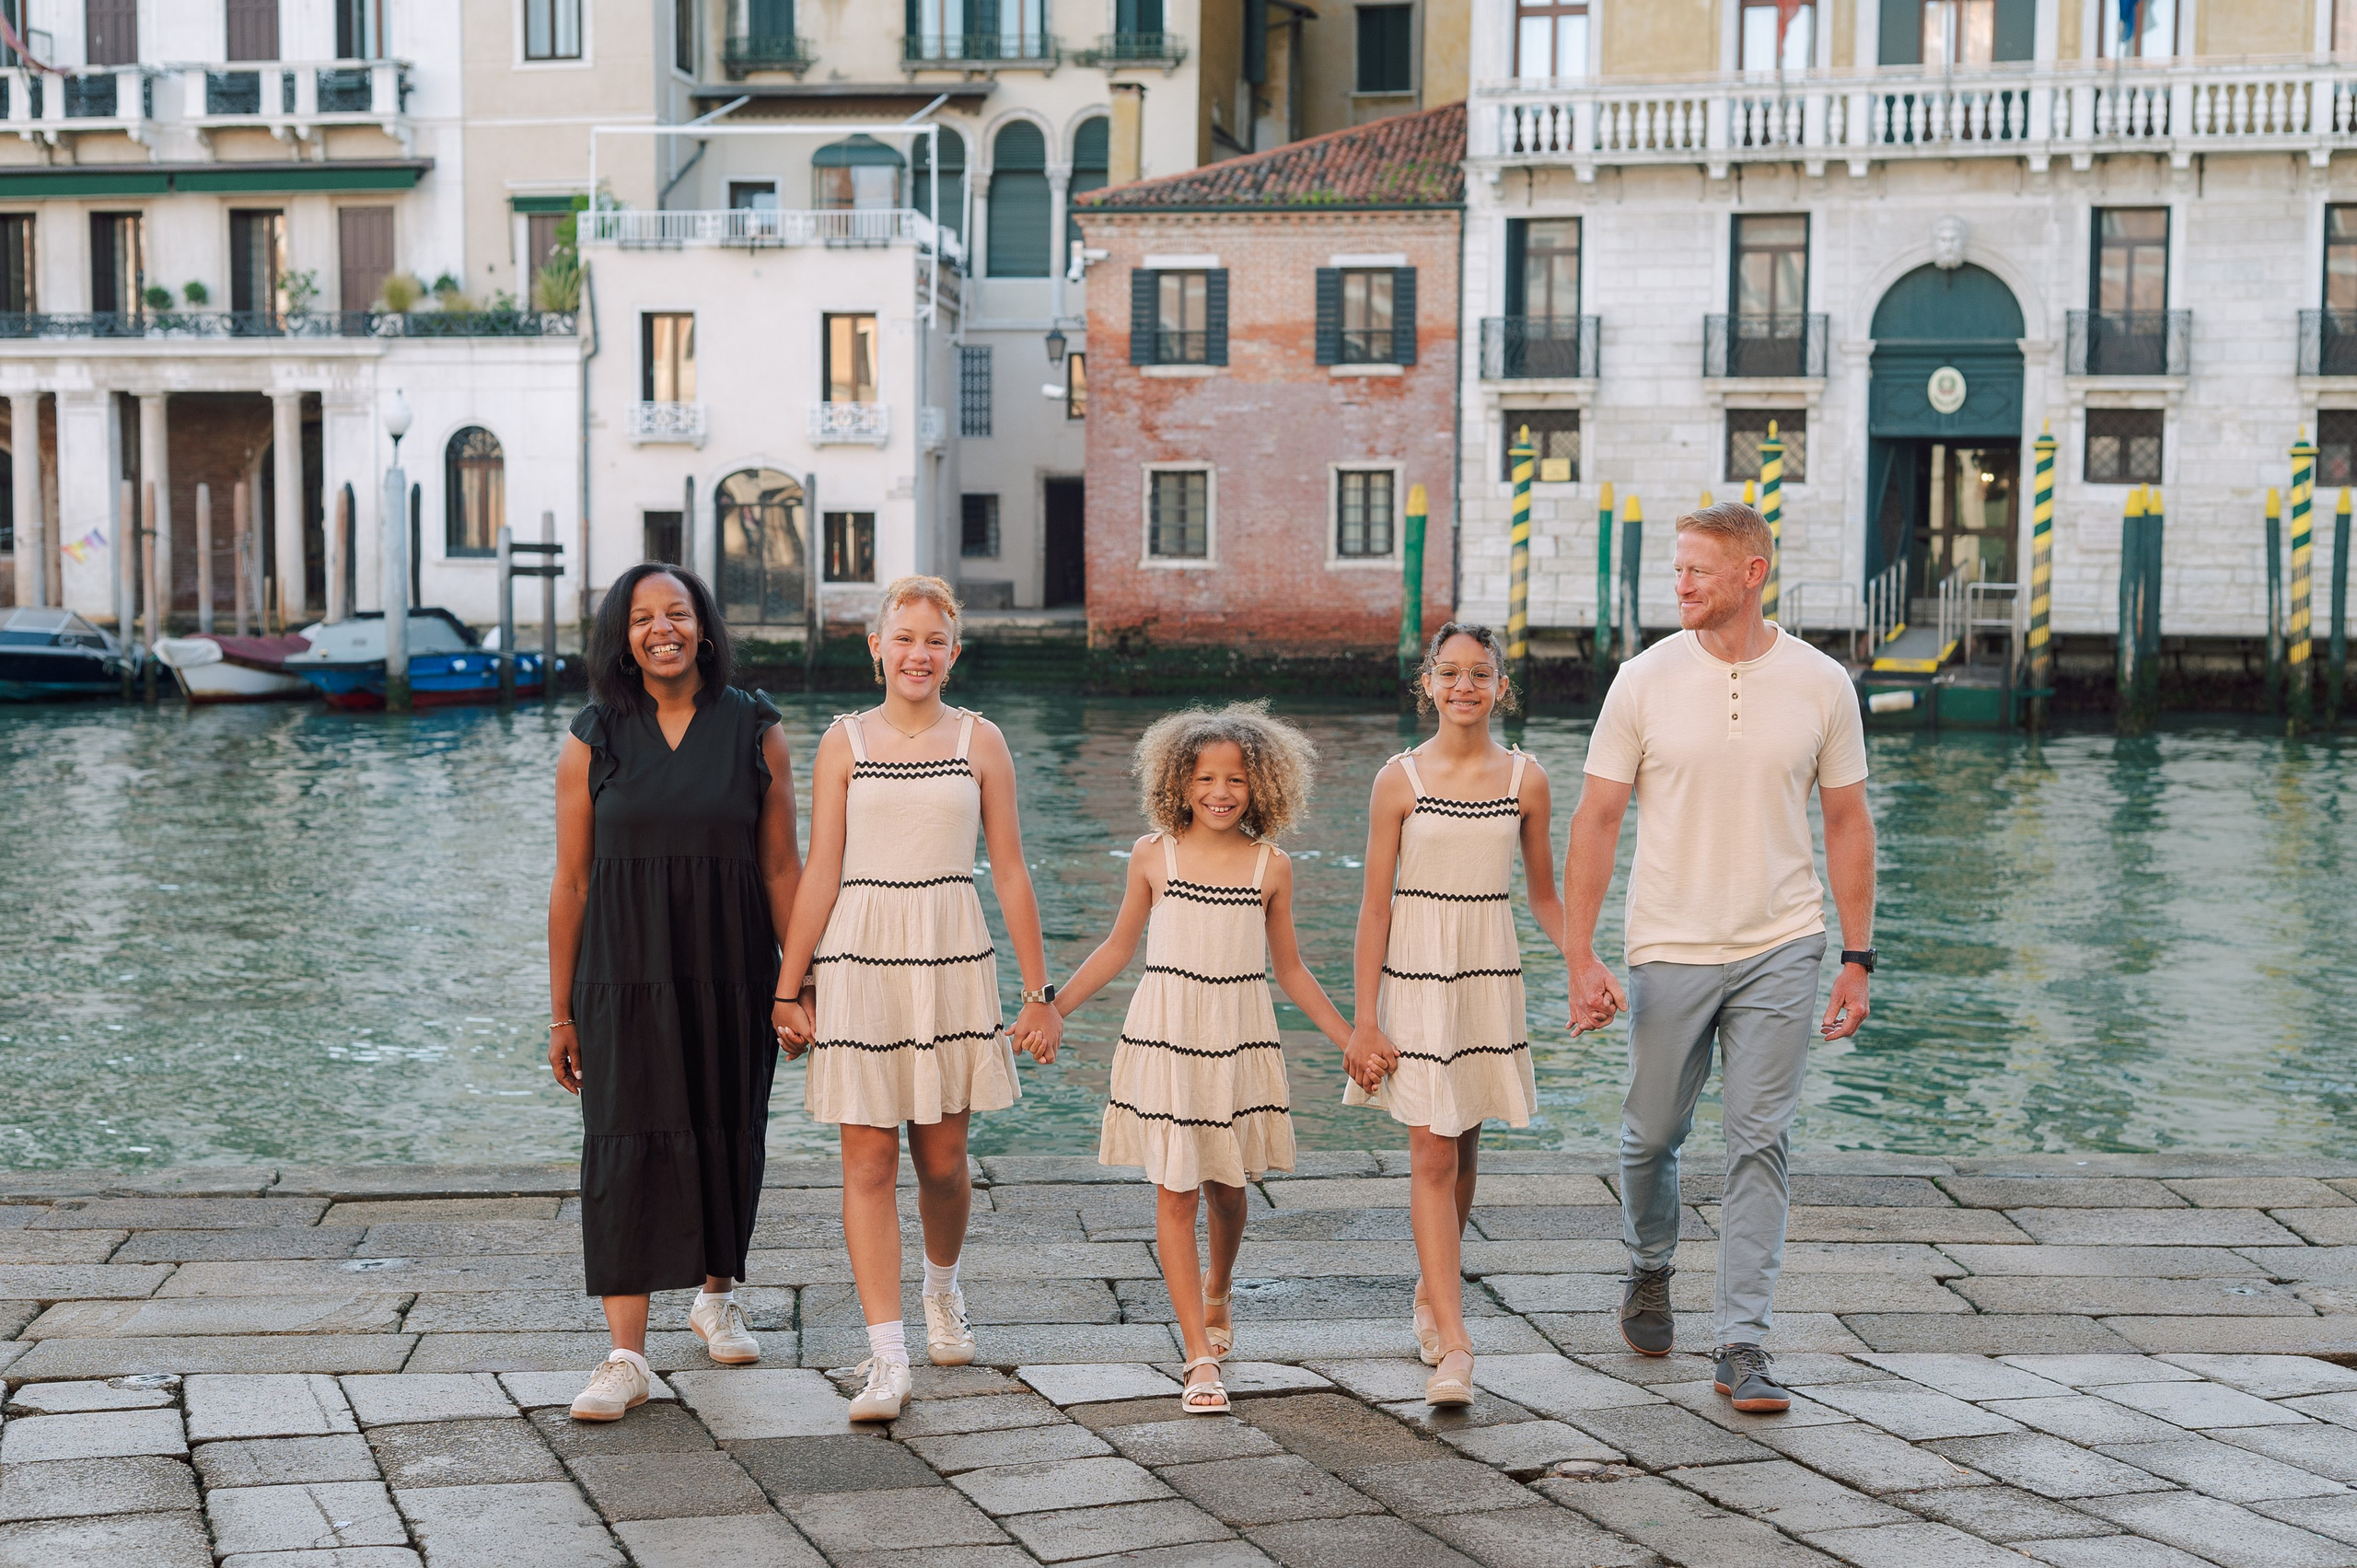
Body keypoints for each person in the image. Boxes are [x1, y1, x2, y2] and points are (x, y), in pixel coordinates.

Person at [1563, 500, 1875, 1414]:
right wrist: (1581, 953)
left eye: (1697, 568)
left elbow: (1847, 821)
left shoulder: (1821, 682)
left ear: (1752, 571)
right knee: (1651, 1131)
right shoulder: (1643, 679)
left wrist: (1857, 954)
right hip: (1668, 940)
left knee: (1759, 1140)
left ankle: (1742, 1342)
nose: (1680, 583)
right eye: (1676, 568)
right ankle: (1648, 1262)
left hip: (1784, 940)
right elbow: (1596, 819)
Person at [773, 575, 1062, 1423]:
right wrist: (788, 987)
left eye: (934, 640)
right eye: (903, 637)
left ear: (953, 653)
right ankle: (887, 1357)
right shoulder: (842, 743)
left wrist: (1040, 992)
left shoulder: (981, 740)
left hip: (950, 953)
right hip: (859, 956)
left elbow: (1009, 868)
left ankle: (943, 1286)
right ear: (876, 647)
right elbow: (819, 869)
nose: (918, 653)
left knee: (941, 1160)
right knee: (866, 1160)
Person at [549, 563, 801, 1423]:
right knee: (625, 1139)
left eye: (678, 613)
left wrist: (799, 980)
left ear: (704, 627)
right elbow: (573, 882)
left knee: (727, 1125)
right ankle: (625, 1356)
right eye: (643, 617)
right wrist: (560, 1010)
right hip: (622, 973)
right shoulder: (593, 738)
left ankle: (714, 1293)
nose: (662, 629)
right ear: (623, 635)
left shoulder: (756, 730)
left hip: (732, 964)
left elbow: (780, 866)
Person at [1055, 703, 1350, 1414]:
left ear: (1262, 786)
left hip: (1238, 1039)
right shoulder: (1154, 854)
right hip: (1167, 1035)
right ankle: (1196, 1356)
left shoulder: (1270, 867)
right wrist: (1051, 1006)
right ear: (1180, 782)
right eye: (1206, 777)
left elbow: (1293, 969)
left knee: (1229, 1188)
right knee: (1175, 1188)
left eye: (1237, 780)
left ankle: (1219, 1285)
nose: (1221, 791)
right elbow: (1118, 947)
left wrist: (1351, 1039)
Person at [1345, 624, 1562, 1408]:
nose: (1464, 685)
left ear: (1501, 686)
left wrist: (1585, 966)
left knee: (1464, 1146)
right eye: (1450, 672)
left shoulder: (1526, 780)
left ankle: (1430, 1296)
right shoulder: (1397, 780)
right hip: (1416, 976)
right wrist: (1363, 1021)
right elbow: (1373, 908)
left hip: (1488, 975)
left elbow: (1542, 898)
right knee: (1434, 1155)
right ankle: (1458, 1343)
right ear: (1427, 683)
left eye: (1480, 673)